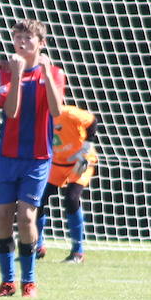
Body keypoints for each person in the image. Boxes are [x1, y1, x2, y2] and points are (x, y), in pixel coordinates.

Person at [0, 20, 66, 298]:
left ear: (41, 43)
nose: (22, 43)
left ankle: (29, 281)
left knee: (26, 217)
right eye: (17, 38)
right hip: (7, 157)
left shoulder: (54, 73)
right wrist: (18, 76)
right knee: (2, 217)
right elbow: (11, 112)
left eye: (28, 38)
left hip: (37, 157)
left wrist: (45, 73)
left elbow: (57, 111)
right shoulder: (5, 72)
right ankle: (7, 280)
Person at [38, 103, 98, 263]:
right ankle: (37, 246)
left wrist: (85, 148)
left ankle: (77, 252)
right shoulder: (37, 115)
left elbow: (92, 121)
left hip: (79, 161)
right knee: (36, 200)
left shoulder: (70, 113)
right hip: (56, 164)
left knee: (72, 198)